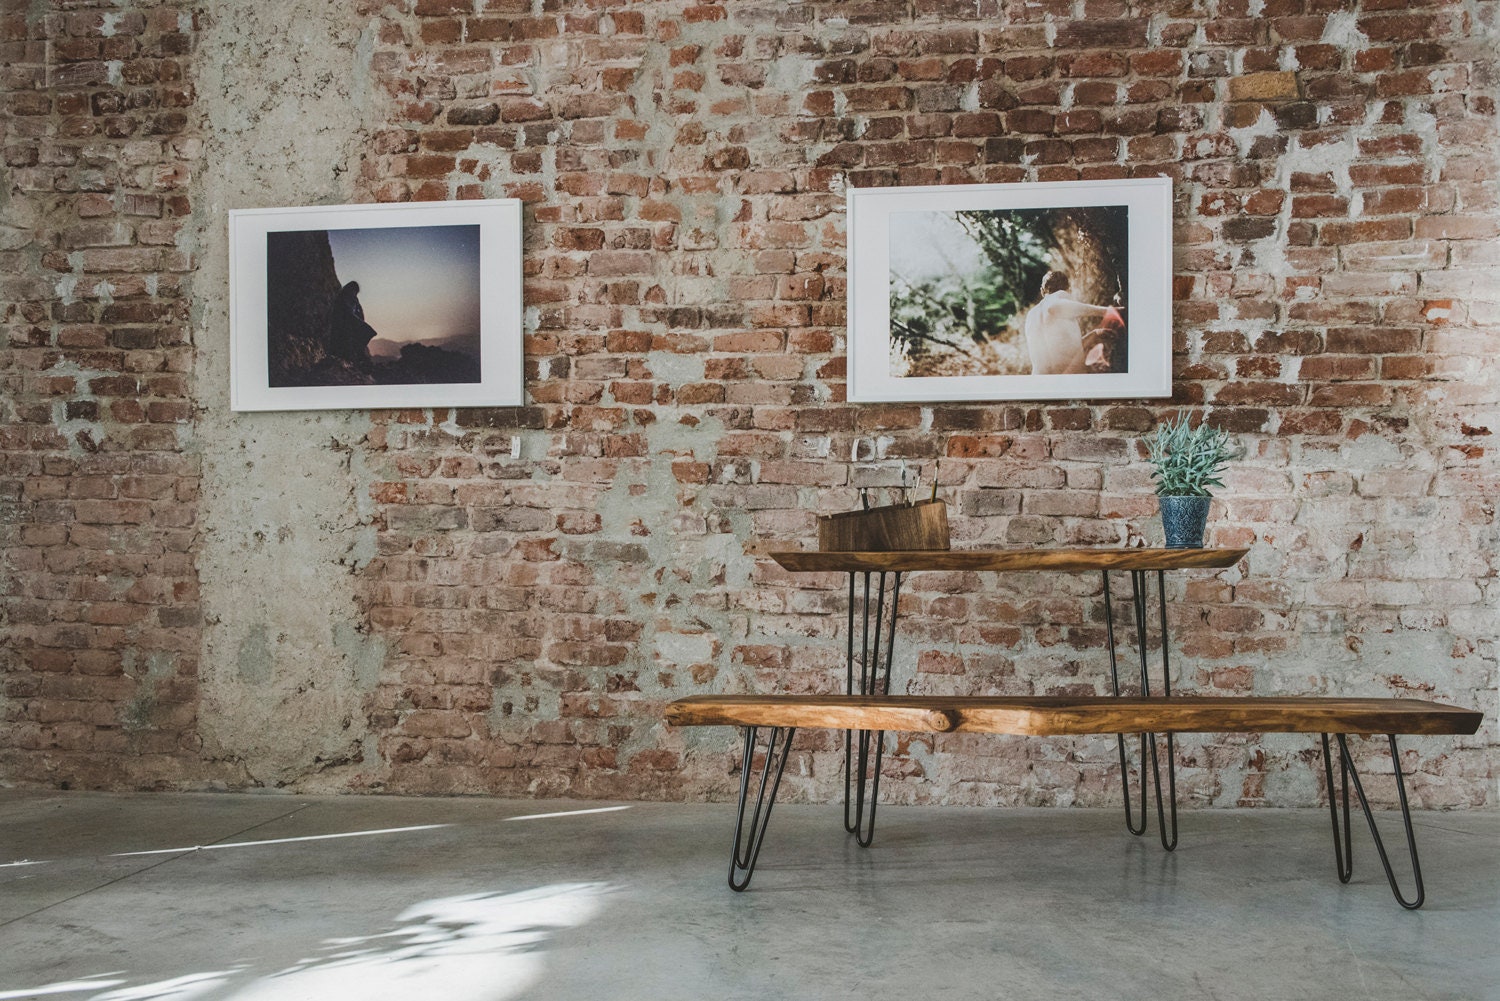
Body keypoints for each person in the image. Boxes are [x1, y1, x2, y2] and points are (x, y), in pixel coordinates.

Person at [1022, 271, 1114, 376]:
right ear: (1068, 289)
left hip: (1039, 380)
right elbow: (1053, 307)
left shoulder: (1031, 314)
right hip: (1068, 380)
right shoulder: (1054, 301)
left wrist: (1095, 334)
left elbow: (1064, 351)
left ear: (1042, 291)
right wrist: (1108, 311)